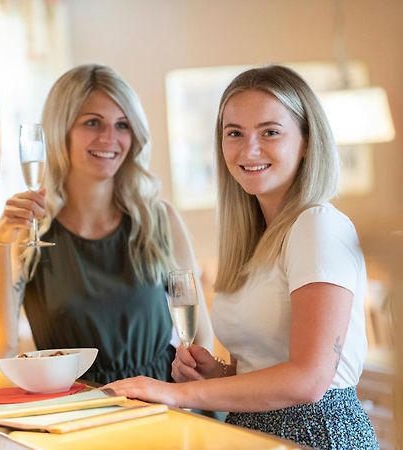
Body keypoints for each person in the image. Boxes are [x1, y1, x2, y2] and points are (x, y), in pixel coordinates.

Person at [103, 65, 379, 449]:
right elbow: (264, 367)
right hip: (251, 433)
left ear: (306, 142)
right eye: (235, 133)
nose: (249, 150)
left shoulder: (319, 225)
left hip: (316, 436)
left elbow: (309, 380)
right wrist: (216, 373)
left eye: (270, 132)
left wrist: (175, 394)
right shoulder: (257, 238)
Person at [0, 64, 213, 385]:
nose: (110, 138)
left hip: (162, 407)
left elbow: (201, 340)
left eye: (122, 125)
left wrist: (190, 404)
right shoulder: (30, 232)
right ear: (61, 131)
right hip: (75, 414)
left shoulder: (160, 220)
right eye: (92, 122)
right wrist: (1, 243)